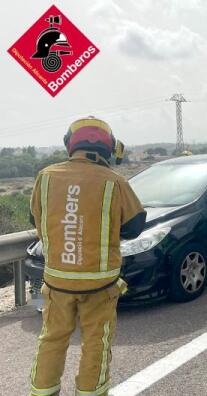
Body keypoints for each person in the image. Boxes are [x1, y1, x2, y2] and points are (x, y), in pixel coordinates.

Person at [29, 117, 146, 396]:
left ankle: (42, 392)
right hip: (99, 285)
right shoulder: (114, 182)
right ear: (109, 148)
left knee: (51, 340)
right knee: (96, 343)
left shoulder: (45, 177)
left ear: (70, 144)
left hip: (57, 282)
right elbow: (134, 226)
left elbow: (35, 216)